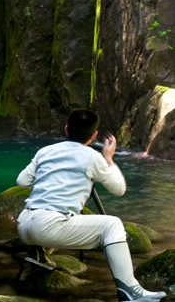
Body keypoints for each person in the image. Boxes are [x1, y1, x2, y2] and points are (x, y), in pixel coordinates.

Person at [16, 109, 167, 302]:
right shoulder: (91, 157)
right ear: (94, 135)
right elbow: (119, 189)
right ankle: (130, 291)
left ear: (66, 129)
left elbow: (21, 181)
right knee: (112, 225)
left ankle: (39, 253)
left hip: (25, 223)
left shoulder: (45, 151)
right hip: (49, 227)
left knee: (69, 216)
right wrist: (109, 159)